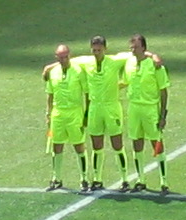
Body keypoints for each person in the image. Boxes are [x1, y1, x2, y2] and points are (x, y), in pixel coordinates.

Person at [75, 35, 130, 190]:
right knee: (96, 145)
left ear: (105, 49)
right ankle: (97, 179)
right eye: (94, 50)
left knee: (117, 144)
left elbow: (135, 54)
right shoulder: (86, 62)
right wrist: (50, 67)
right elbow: (66, 60)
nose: (96, 52)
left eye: (99, 50)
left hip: (111, 107)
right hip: (94, 108)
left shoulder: (115, 61)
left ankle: (125, 179)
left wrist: (153, 56)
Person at [123, 34, 169, 193]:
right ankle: (140, 179)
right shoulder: (129, 63)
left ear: (143, 47)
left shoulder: (156, 66)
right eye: (131, 47)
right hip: (134, 108)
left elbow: (163, 91)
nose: (133, 50)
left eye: (135, 47)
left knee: (156, 143)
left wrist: (163, 115)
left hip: (150, 109)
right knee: (136, 142)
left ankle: (164, 181)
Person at [40, 43, 89, 191]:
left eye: (65, 56)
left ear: (70, 56)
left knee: (79, 145)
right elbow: (50, 94)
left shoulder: (79, 71)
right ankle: (57, 178)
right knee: (57, 145)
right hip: (58, 113)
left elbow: (87, 94)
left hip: (75, 113)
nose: (63, 59)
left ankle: (84, 179)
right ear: (56, 57)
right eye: (60, 57)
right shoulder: (53, 73)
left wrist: (86, 114)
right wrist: (48, 113)